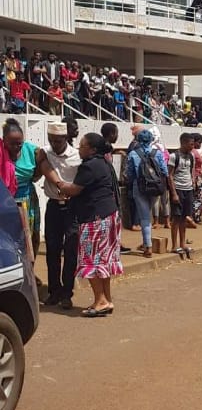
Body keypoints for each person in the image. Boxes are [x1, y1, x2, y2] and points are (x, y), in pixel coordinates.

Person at [56, 132, 122, 317]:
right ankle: (106, 299)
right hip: (109, 215)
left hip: (95, 218)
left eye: (82, 146)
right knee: (104, 260)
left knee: (91, 259)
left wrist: (59, 183)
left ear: (92, 149)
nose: (79, 148)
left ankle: (100, 300)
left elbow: (75, 190)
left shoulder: (89, 166)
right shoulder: (104, 162)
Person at [40, 120, 80, 308]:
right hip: (54, 207)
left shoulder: (77, 156)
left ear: (65, 138)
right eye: (51, 140)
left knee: (71, 250)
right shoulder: (44, 153)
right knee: (52, 250)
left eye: (58, 141)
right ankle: (54, 291)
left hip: (72, 208)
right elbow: (41, 169)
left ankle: (67, 292)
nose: (54, 144)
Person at [125, 128, 169, 258]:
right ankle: (146, 242)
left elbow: (129, 174)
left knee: (144, 218)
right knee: (147, 215)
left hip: (139, 188)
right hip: (155, 188)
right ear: (151, 140)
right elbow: (164, 171)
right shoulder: (158, 153)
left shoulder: (133, 154)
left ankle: (148, 246)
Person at [2, 118, 41, 257]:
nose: (17, 147)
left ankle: (29, 269)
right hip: (5, 201)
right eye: (12, 143)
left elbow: (41, 167)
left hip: (27, 200)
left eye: (20, 143)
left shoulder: (31, 151)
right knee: (9, 238)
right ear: (4, 140)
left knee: (30, 237)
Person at [168, 132, 195, 258]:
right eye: (191, 143)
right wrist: (173, 193)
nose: (192, 146)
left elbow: (191, 171)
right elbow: (170, 175)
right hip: (178, 189)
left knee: (184, 218)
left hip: (188, 189)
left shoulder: (191, 156)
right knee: (176, 218)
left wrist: (192, 183)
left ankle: (183, 243)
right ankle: (174, 245)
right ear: (183, 142)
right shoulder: (174, 156)